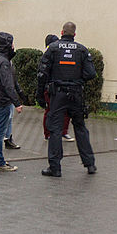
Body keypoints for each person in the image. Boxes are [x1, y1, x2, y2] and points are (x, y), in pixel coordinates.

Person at [36, 22, 96, 177]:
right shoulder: (82, 50)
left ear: (62, 32)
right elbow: (91, 73)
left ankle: (55, 168)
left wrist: (39, 96)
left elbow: (42, 74)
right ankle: (90, 164)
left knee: (55, 129)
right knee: (80, 128)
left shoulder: (53, 48)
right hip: (76, 94)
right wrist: (76, 79)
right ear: (74, 34)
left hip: (58, 95)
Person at [0, 32, 23, 172]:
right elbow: (8, 85)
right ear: (7, 45)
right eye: (11, 43)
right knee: (0, 133)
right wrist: (17, 102)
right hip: (2, 101)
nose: (13, 46)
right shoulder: (3, 62)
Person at [42, 34, 72, 142]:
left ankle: (64, 131)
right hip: (49, 87)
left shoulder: (59, 54)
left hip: (61, 86)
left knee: (66, 110)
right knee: (50, 110)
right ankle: (48, 133)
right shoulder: (46, 55)